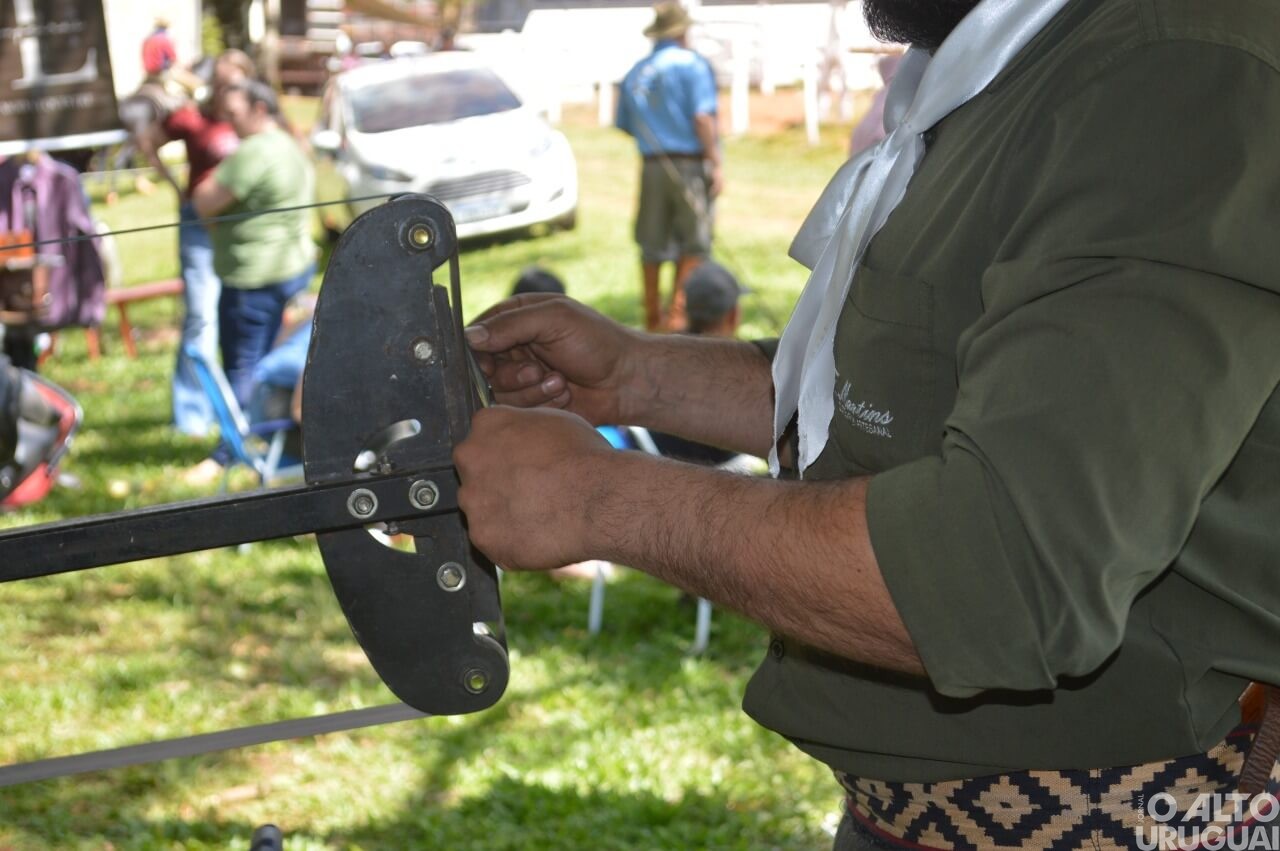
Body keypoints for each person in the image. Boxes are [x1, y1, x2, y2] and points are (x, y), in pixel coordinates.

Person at [453, 0, 1280, 847]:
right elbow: (914, 397)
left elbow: (998, 576)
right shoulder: (1006, 62)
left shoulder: (1170, 69)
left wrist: (599, 499)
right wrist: (637, 376)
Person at [120, 73, 240, 438]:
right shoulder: (191, 118)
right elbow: (146, 140)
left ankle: (239, 405)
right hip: (200, 226)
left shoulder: (248, 117)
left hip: (241, 228)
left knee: (237, 315)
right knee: (202, 317)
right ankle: (191, 416)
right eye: (223, 84)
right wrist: (175, 187)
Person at [192, 79, 316, 412]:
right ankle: (269, 428)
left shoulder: (255, 150)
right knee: (273, 355)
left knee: (244, 363)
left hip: (254, 279)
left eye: (233, 113)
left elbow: (203, 202)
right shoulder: (290, 142)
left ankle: (238, 442)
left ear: (259, 109)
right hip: (293, 267)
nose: (228, 123)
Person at [615, 2, 721, 333]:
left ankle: (652, 318)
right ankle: (677, 317)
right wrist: (714, 160)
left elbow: (624, 123)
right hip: (688, 164)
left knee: (652, 242)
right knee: (694, 240)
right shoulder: (692, 65)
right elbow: (703, 117)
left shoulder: (636, 70)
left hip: (651, 165)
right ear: (680, 31)